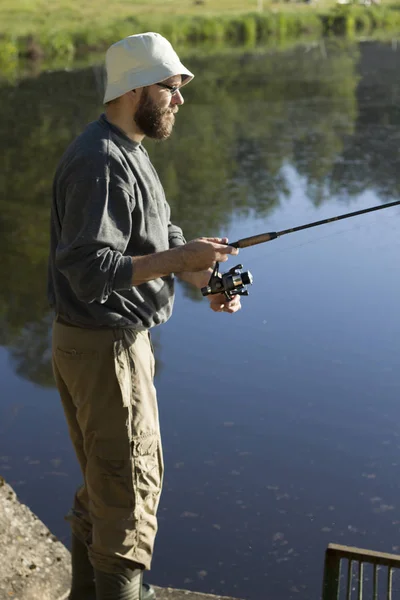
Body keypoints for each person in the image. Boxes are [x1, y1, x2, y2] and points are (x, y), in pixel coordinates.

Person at [48, 32, 242, 600]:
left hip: (107, 344)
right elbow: (86, 266)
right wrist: (179, 259)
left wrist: (200, 273)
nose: (180, 99)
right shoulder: (99, 162)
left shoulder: (127, 147)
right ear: (136, 89)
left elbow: (161, 234)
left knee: (103, 487)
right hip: (103, 346)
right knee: (129, 493)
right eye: (172, 86)